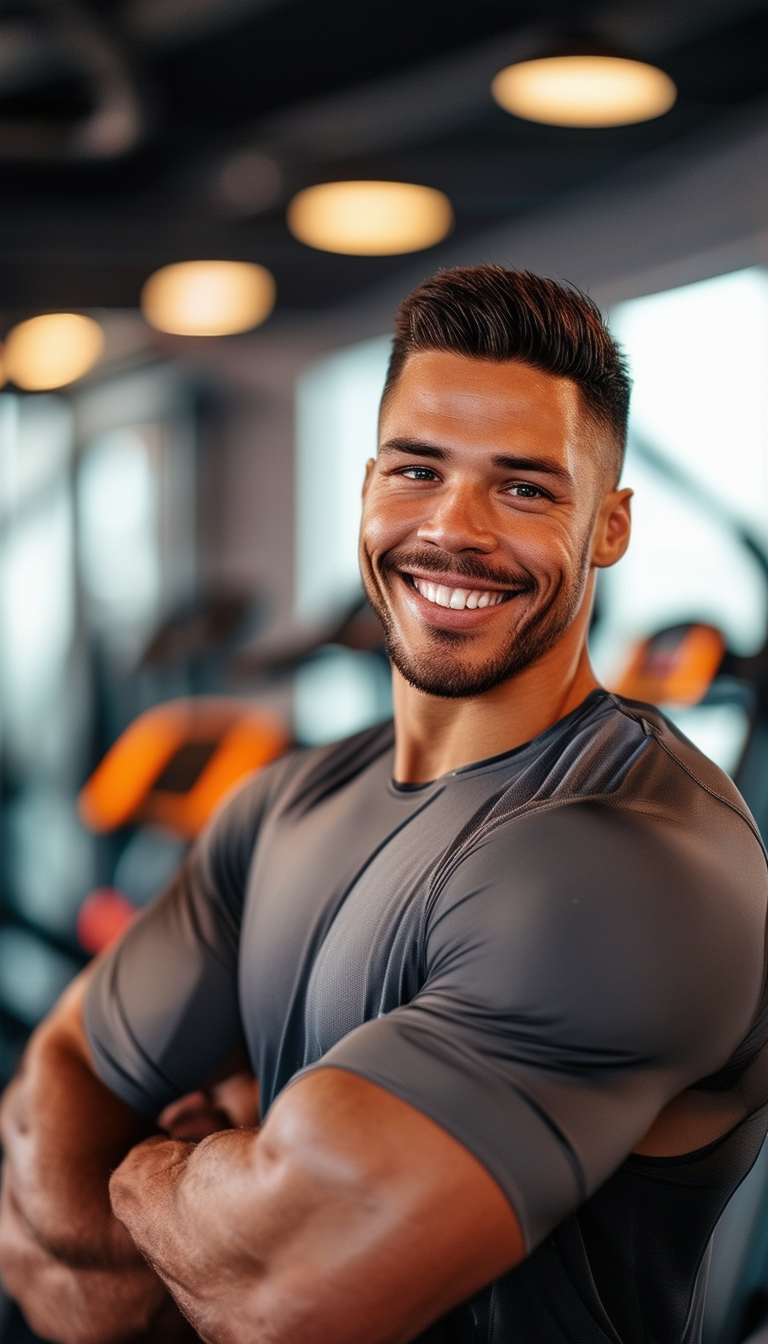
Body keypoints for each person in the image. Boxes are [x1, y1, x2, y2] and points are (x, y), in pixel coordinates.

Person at [1, 266, 767, 1344]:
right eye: (417, 468)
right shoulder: (279, 807)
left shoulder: (633, 862)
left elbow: (292, 1295)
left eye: (525, 487)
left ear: (610, 526)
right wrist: (232, 1192)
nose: (453, 528)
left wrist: (146, 1171)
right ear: (368, 484)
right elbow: (48, 1131)